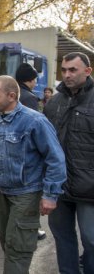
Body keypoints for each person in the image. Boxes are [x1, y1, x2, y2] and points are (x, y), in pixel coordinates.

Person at [0, 75, 66, 273]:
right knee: (6, 239)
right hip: (3, 193)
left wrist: (50, 195)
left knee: (18, 248)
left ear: (12, 96)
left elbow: (56, 158)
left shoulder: (35, 121)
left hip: (27, 193)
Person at [43, 52, 94, 274]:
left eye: (72, 70)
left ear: (87, 71)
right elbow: (44, 145)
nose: (67, 75)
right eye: (64, 70)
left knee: (91, 239)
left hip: (89, 188)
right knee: (63, 238)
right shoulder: (54, 103)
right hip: (58, 186)